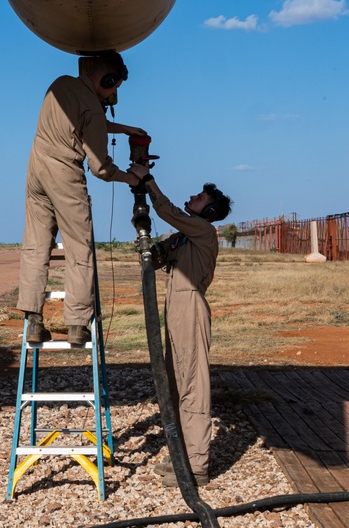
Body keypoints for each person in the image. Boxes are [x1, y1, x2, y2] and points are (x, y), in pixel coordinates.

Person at [16, 51, 150, 346]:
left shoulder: (61, 84)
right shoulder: (92, 105)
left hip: (35, 169)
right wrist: (130, 177)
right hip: (63, 173)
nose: (113, 93)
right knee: (79, 248)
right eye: (114, 87)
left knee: (36, 246)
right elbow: (99, 167)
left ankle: (34, 322)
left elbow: (80, 120)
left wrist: (123, 128)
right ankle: (77, 324)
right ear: (108, 79)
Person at [143, 177, 232, 487]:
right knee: (176, 384)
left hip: (190, 306)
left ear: (207, 210)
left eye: (198, 197)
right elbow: (157, 257)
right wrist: (146, 244)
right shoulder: (183, 237)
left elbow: (168, 211)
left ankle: (196, 467)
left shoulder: (203, 231)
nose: (192, 197)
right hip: (175, 310)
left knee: (193, 385)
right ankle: (181, 456)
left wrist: (150, 184)